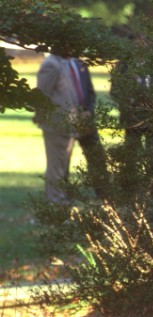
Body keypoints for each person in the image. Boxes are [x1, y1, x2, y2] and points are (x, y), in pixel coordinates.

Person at [34, 50, 107, 203]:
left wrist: (86, 112)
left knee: (64, 163)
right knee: (57, 166)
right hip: (57, 124)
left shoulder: (68, 63)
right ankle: (55, 202)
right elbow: (41, 96)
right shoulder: (51, 64)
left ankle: (62, 199)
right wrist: (44, 119)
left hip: (73, 122)